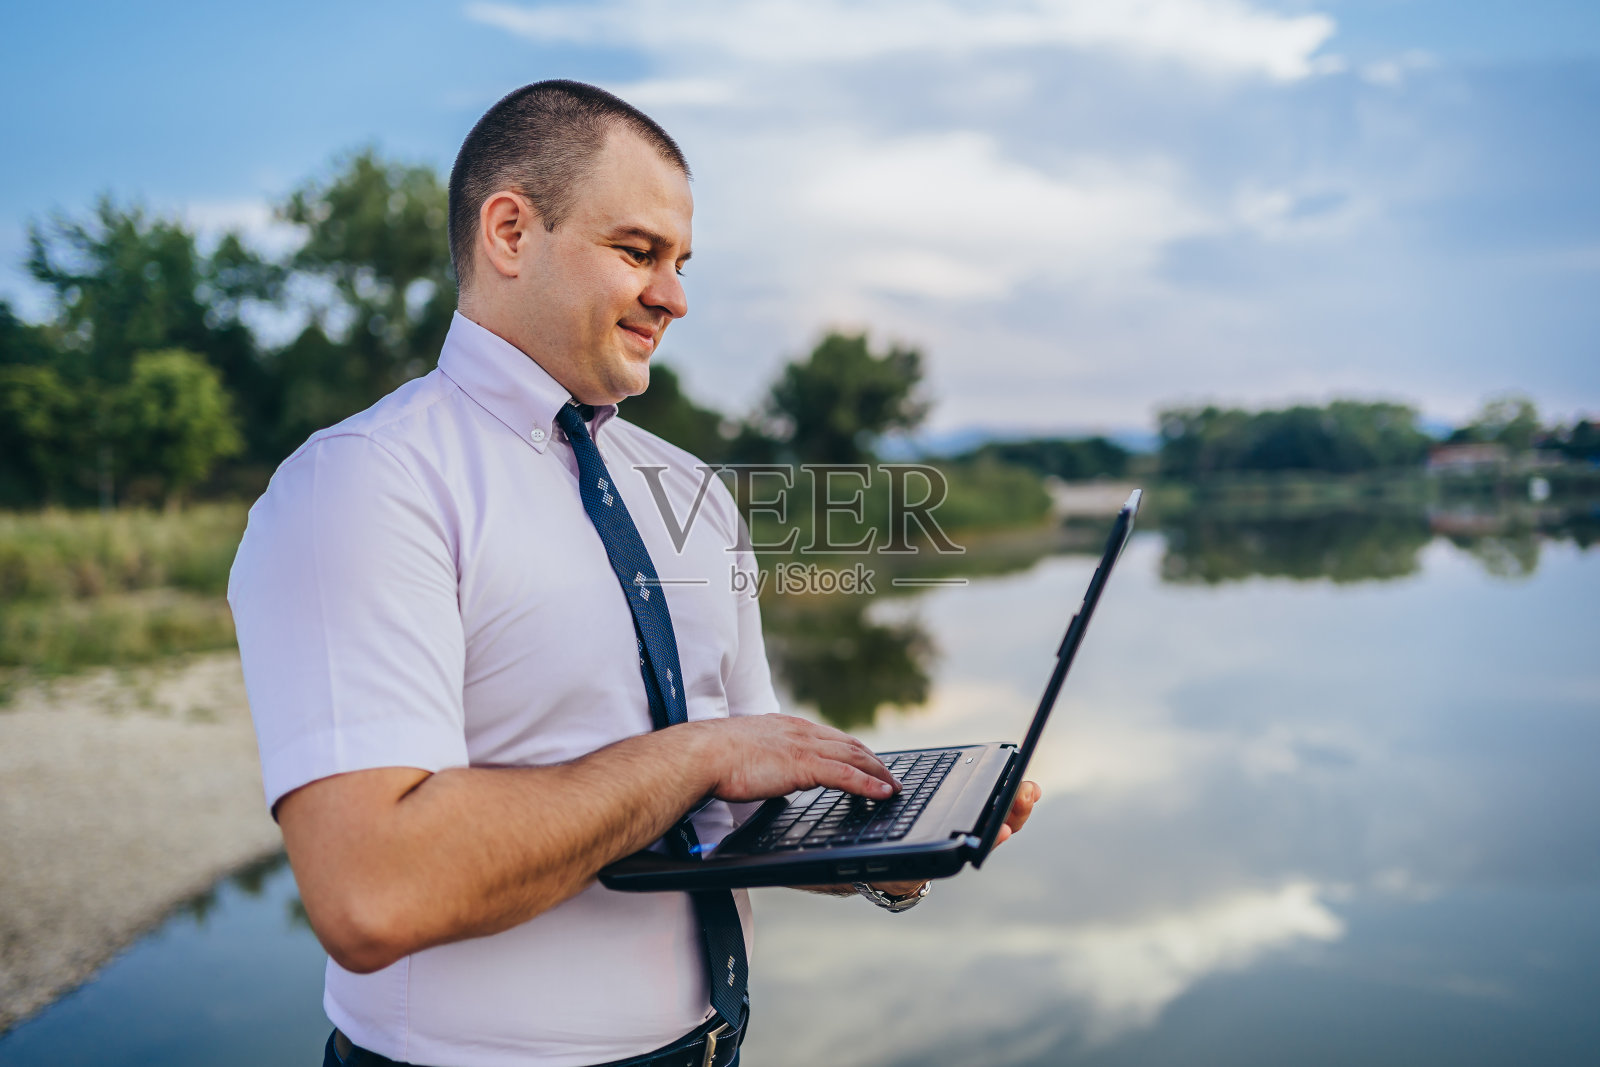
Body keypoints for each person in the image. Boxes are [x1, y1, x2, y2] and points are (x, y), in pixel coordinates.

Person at [228, 80, 1041, 1067]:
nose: (675, 295)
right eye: (637, 251)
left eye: (682, 261)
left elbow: (740, 807)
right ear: (511, 230)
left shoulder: (694, 490)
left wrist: (901, 845)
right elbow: (373, 891)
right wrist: (691, 755)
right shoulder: (363, 483)